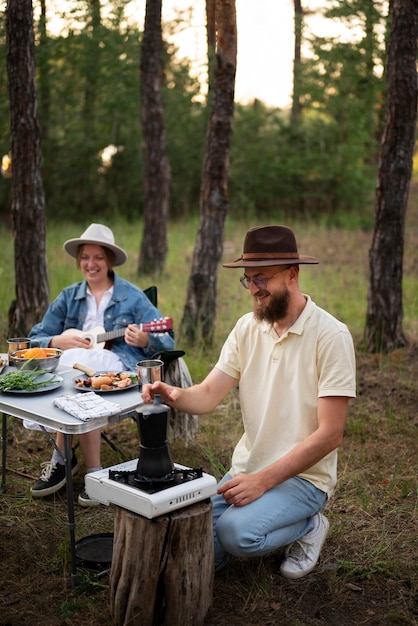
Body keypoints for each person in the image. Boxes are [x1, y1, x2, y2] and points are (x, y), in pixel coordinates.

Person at [141, 225, 356, 579]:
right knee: (190, 539)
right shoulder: (246, 328)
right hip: (248, 469)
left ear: (292, 274)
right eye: (248, 280)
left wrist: (264, 482)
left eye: (262, 279)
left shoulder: (331, 336)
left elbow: (331, 434)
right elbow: (209, 395)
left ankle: (309, 525)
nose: (255, 290)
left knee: (236, 533)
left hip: (304, 479)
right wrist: (172, 393)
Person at [28, 223, 175, 506]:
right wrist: (58, 340)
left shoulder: (131, 296)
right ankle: (83, 467)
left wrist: (146, 338)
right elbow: (35, 339)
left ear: (108, 260)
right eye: (85, 257)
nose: (90, 264)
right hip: (74, 373)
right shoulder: (69, 296)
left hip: (116, 373)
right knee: (73, 370)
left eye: (98, 257)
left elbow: (167, 339)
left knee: (87, 379)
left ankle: (66, 461)